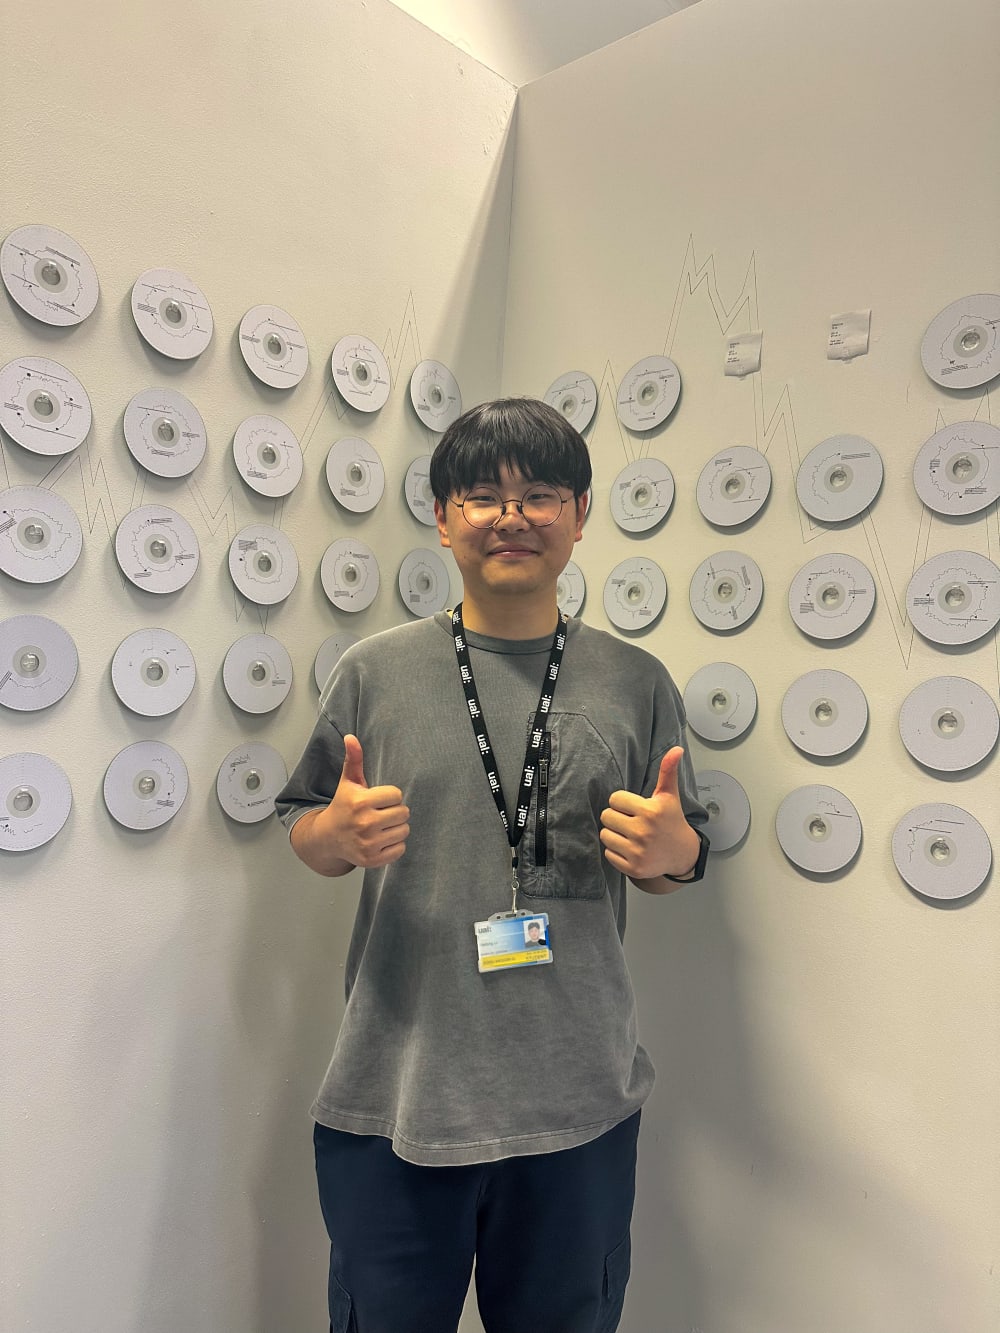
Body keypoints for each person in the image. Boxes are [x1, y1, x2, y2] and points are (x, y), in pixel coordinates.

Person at [276, 398, 709, 1333]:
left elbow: (673, 855)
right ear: (442, 518)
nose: (512, 516)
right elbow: (304, 827)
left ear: (582, 514)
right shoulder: (374, 671)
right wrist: (334, 836)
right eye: (482, 495)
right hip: (396, 1096)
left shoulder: (637, 683)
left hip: (578, 1104)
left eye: (541, 493)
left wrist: (679, 856)